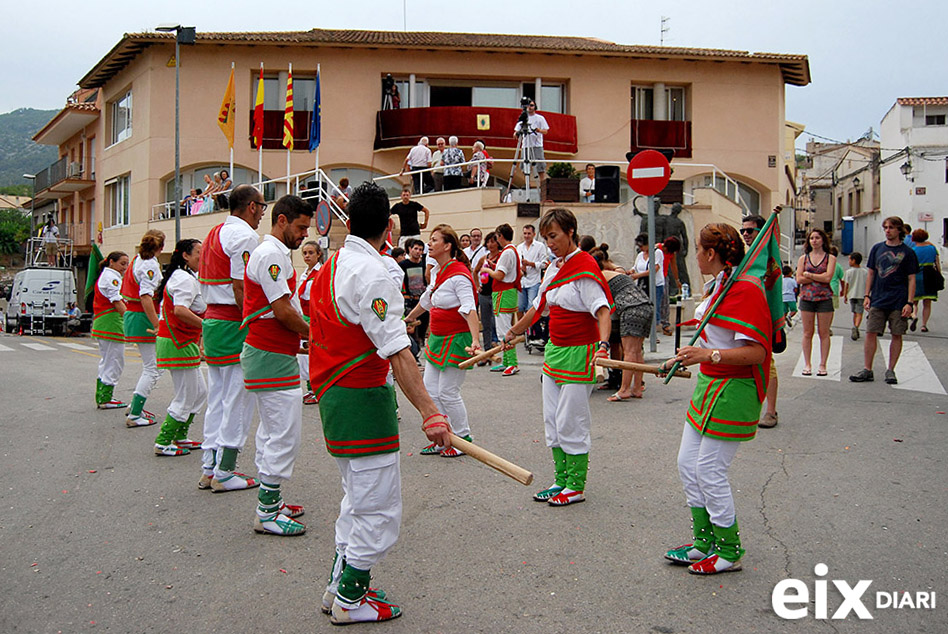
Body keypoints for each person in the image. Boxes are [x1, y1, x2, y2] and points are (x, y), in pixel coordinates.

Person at [309, 181, 451, 624]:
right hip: (362, 401)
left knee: (357, 499)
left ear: (348, 223)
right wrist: (432, 412)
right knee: (378, 507)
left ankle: (339, 585)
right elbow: (398, 351)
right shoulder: (372, 274)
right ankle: (352, 600)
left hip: (336, 399)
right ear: (390, 227)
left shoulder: (331, 266)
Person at [660, 223, 771, 575]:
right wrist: (688, 355)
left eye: (698, 249)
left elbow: (756, 352)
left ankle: (729, 548)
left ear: (711, 254)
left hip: (735, 390)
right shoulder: (718, 286)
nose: (695, 256)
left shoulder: (746, 291)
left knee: (709, 470)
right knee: (686, 464)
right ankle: (703, 542)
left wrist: (708, 356)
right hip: (709, 388)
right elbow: (713, 339)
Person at [503, 208, 613, 505]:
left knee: (571, 419)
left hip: (582, 354)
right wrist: (513, 332)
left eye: (554, 236)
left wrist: (603, 346)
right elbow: (538, 307)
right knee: (552, 418)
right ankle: (560, 480)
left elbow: (602, 311)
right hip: (555, 351)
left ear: (571, 233)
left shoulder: (585, 268)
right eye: (546, 237)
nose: (549, 243)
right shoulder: (553, 268)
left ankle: (576, 486)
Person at [240, 195, 313, 536]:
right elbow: (282, 311)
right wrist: (317, 335)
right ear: (281, 221)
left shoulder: (274, 254)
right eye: (300, 227)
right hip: (270, 356)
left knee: (272, 432)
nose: (304, 235)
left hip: (271, 354)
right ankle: (267, 512)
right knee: (284, 434)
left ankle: (272, 501)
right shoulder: (270, 254)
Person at [197, 185, 266, 493]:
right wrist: (251, 322)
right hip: (232, 321)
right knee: (238, 400)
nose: (263, 213)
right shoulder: (245, 236)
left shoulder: (215, 232)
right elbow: (242, 288)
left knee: (217, 399)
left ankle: (209, 467)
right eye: (262, 207)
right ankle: (226, 470)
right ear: (251, 206)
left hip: (212, 321)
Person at [405, 224, 481, 457]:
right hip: (437, 339)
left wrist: (476, 341)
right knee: (430, 391)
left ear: (447, 246)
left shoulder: (459, 275)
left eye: (434, 240)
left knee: (448, 391)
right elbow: (428, 300)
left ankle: (463, 437)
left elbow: (469, 308)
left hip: (458, 340)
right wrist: (407, 319)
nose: (429, 244)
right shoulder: (438, 271)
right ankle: (443, 437)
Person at [152, 239, 207, 457]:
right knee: (186, 395)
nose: (202, 258)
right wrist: (208, 327)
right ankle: (163, 441)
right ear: (185, 255)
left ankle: (180, 435)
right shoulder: (184, 279)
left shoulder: (185, 277)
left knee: (200, 392)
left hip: (182, 341)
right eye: (198, 253)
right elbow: (180, 311)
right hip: (178, 341)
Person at [850, 217, 918, 385]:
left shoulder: (908, 253)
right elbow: (871, 273)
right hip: (878, 299)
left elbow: (911, 279)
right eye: (885, 227)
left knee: (896, 334)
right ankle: (867, 369)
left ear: (899, 230)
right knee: (871, 332)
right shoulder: (877, 249)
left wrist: (910, 303)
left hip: (898, 300)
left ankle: (891, 369)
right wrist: (867, 295)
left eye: (892, 228)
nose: (888, 230)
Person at [592, 249, 650, 401]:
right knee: (637, 351)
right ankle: (636, 388)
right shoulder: (616, 273)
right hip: (645, 304)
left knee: (629, 352)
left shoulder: (598, 276)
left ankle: (624, 389)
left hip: (630, 308)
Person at [121, 229, 166, 428]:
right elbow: (146, 296)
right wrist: (157, 324)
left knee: (154, 366)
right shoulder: (150, 265)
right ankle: (136, 412)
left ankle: (135, 405)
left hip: (135, 315)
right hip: (143, 316)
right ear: (161, 248)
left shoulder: (137, 260)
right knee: (153, 368)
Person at [741, 215, 779, 428]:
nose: (746, 234)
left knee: (767, 363)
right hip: (745, 315)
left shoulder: (767, 257)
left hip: (762, 316)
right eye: (743, 230)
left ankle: (771, 412)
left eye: (750, 230)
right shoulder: (747, 256)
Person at [796, 229, 836, 377]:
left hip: (824, 298)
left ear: (823, 240)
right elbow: (799, 279)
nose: (814, 240)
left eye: (817, 238)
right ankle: (807, 363)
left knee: (824, 332)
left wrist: (810, 275)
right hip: (807, 298)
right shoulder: (803, 259)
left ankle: (822, 364)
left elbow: (828, 278)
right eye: (812, 238)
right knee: (807, 332)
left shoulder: (830, 258)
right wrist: (818, 276)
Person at [92, 251, 129, 409]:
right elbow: (117, 301)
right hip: (110, 322)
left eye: (126, 264)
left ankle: (103, 395)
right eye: (122, 263)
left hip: (104, 321)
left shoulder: (107, 275)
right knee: (115, 360)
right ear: (111, 262)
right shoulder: (111, 277)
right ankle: (106, 397)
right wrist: (129, 320)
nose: (124, 267)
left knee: (107, 360)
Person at [487, 223, 522, 375]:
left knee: (504, 330)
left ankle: (512, 363)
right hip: (508, 291)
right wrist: (494, 266)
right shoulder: (512, 251)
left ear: (501, 236)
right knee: (504, 327)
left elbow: (500, 275)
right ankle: (507, 361)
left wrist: (488, 269)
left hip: (504, 292)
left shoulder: (507, 252)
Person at [297, 241, 322, 405]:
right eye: (305, 253)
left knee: (315, 354)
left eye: (311, 252)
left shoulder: (321, 273)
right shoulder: (304, 274)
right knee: (304, 355)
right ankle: (310, 388)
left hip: (315, 317)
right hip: (304, 316)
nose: (307, 256)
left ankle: (317, 389)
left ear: (318, 254)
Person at [473, 231, 500, 363]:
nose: (490, 244)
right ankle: (487, 352)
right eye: (488, 242)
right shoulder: (483, 258)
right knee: (486, 323)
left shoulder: (501, 257)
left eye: (493, 241)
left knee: (497, 323)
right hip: (484, 293)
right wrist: (477, 285)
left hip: (496, 293)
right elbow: (475, 271)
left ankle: (499, 350)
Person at [399, 238, 428, 358]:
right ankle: (414, 353)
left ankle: (420, 347)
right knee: (412, 328)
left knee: (423, 326)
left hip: (423, 299)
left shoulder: (425, 264)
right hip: (410, 300)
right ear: (410, 249)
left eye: (420, 249)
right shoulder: (403, 265)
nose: (418, 251)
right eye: (416, 249)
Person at [630, 232, 665, 329]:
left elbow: (654, 269)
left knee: (654, 307)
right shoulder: (640, 255)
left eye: (642, 246)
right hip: (643, 284)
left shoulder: (657, 253)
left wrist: (637, 275)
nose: (641, 248)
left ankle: (654, 329)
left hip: (655, 284)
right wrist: (631, 271)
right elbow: (636, 266)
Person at [910, 228, 940, 333]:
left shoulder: (913, 250)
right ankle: (924, 325)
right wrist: (939, 275)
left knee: (913, 301)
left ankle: (913, 315)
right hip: (929, 276)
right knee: (927, 303)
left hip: (916, 276)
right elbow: (937, 263)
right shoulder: (932, 248)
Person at [517, 224, 550, 322]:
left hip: (534, 281)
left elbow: (544, 264)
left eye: (529, 234)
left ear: (534, 234)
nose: (526, 236)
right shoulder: (519, 247)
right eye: (525, 233)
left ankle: (531, 329)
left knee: (531, 306)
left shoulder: (540, 246)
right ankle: (521, 329)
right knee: (519, 307)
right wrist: (521, 267)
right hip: (522, 281)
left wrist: (531, 264)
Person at [513, 99, 549, 184]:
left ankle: (542, 186)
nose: (530, 107)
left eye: (532, 105)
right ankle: (526, 185)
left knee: (540, 168)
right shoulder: (523, 118)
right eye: (528, 105)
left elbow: (546, 131)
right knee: (525, 167)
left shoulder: (540, 118)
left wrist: (539, 130)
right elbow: (516, 131)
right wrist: (516, 134)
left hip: (537, 145)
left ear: (535, 107)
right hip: (525, 145)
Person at [658, 236, 682, 335]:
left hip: (663, 277)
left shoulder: (671, 254)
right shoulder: (657, 249)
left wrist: (677, 280)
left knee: (665, 301)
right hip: (654, 278)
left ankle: (665, 324)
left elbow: (673, 265)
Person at [841, 252, 867, 340]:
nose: (849, 261)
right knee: (860, 312)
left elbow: (846, 285)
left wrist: (845, 295)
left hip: (852, 295)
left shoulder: (848, 272)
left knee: (855, 312)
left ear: (854, 260)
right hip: (861, 294)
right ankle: (856, 327)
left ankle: (855, 327)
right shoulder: (865, 272)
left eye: (850, 259)